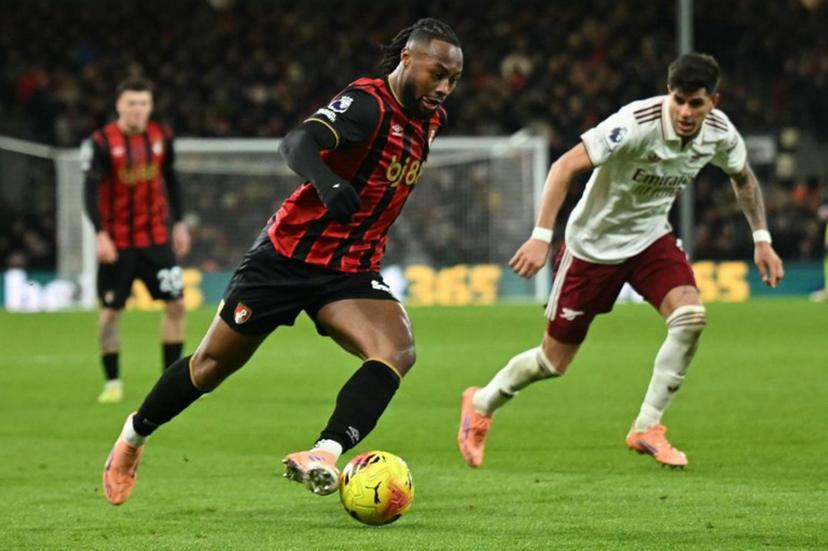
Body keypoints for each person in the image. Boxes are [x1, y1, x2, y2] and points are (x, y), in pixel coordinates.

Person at [101, 18, 463, 505]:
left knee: (397, 350)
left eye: (453, 79)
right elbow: (296, 142)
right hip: (286, 257)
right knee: (210, 366)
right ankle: (133, 436)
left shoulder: (430, 121)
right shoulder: (367, 104)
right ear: (407, 60)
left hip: (350, 268)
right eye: (437, 73)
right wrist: (328, 183)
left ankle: (324, 453)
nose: (444, 87)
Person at [458, 53, 784, 469]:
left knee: (690, 318)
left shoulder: (720, 134)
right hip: (592, 247)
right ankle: (481, 404)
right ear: (669, 93)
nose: (685, 112)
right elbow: (564, 167)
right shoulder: (635, 123)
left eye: (696, 103)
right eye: (679, 100)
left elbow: (743, 179)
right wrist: (541, 236)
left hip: (650, 239)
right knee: (553, 362)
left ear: (713, 102)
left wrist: (762, 239)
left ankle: (647, 426)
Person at [82, 77, 190, 404]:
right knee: (110, 313)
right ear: (119, 105)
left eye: (143, 103)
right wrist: (100, 234)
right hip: (118, 243)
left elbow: (171, 179)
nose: (137, 109)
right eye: (131, 103)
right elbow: (89, 191)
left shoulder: (161, 136)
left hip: (156, 239)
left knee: (177, 305)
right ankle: (113, 382)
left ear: (150, 106)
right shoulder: (101, 142)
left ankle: (170, 383)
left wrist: (179, 223)